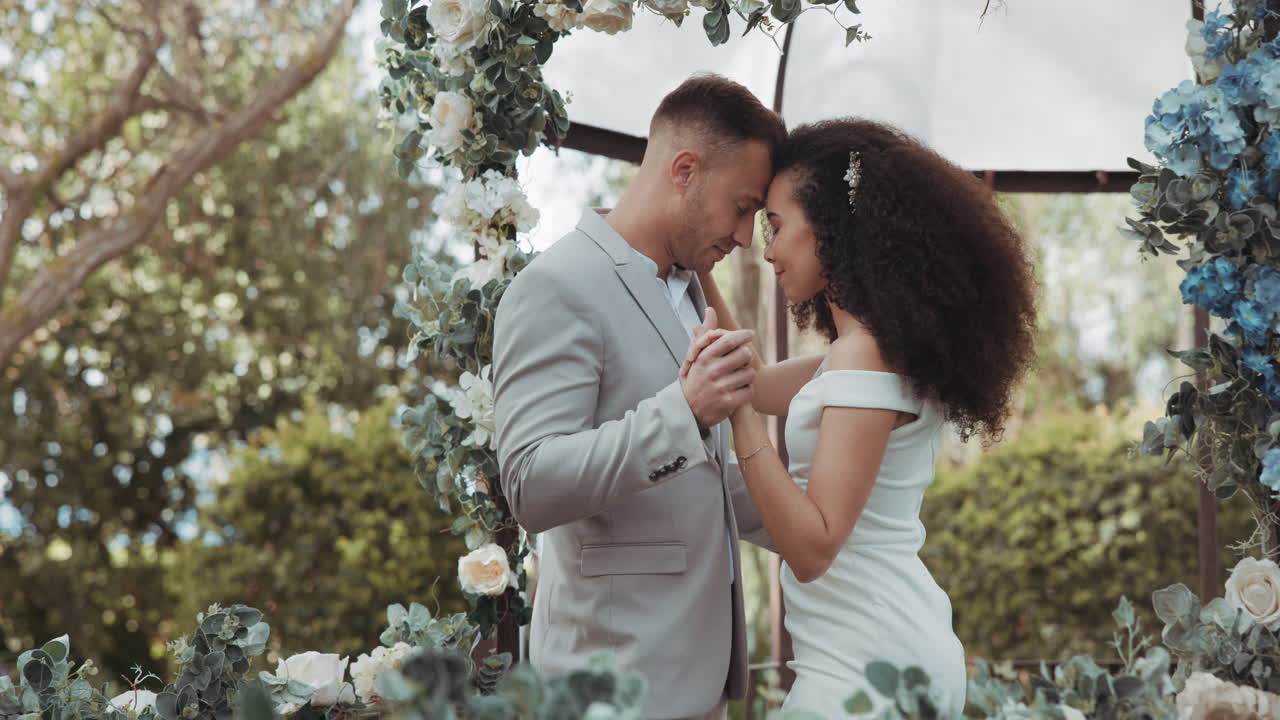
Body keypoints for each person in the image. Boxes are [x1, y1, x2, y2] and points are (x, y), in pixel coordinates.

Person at [683, 118, 1038, 716]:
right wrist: (698, 268)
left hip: (870, 665)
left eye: (775, 225)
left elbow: (814, 546)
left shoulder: (866, 355)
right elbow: (761, 383)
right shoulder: (872, 350)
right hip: (877, 649)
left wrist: (737, 418)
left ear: (831, 229)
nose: (765, 248)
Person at [491, 74, 793, 720]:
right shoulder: (557, 287)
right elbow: (530, 484)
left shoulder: (692, 294)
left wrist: (820, 516)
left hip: (698, 686)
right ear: (684, 170)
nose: (746, 237)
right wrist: (683, 412)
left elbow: (698, 484)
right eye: (743, 206)